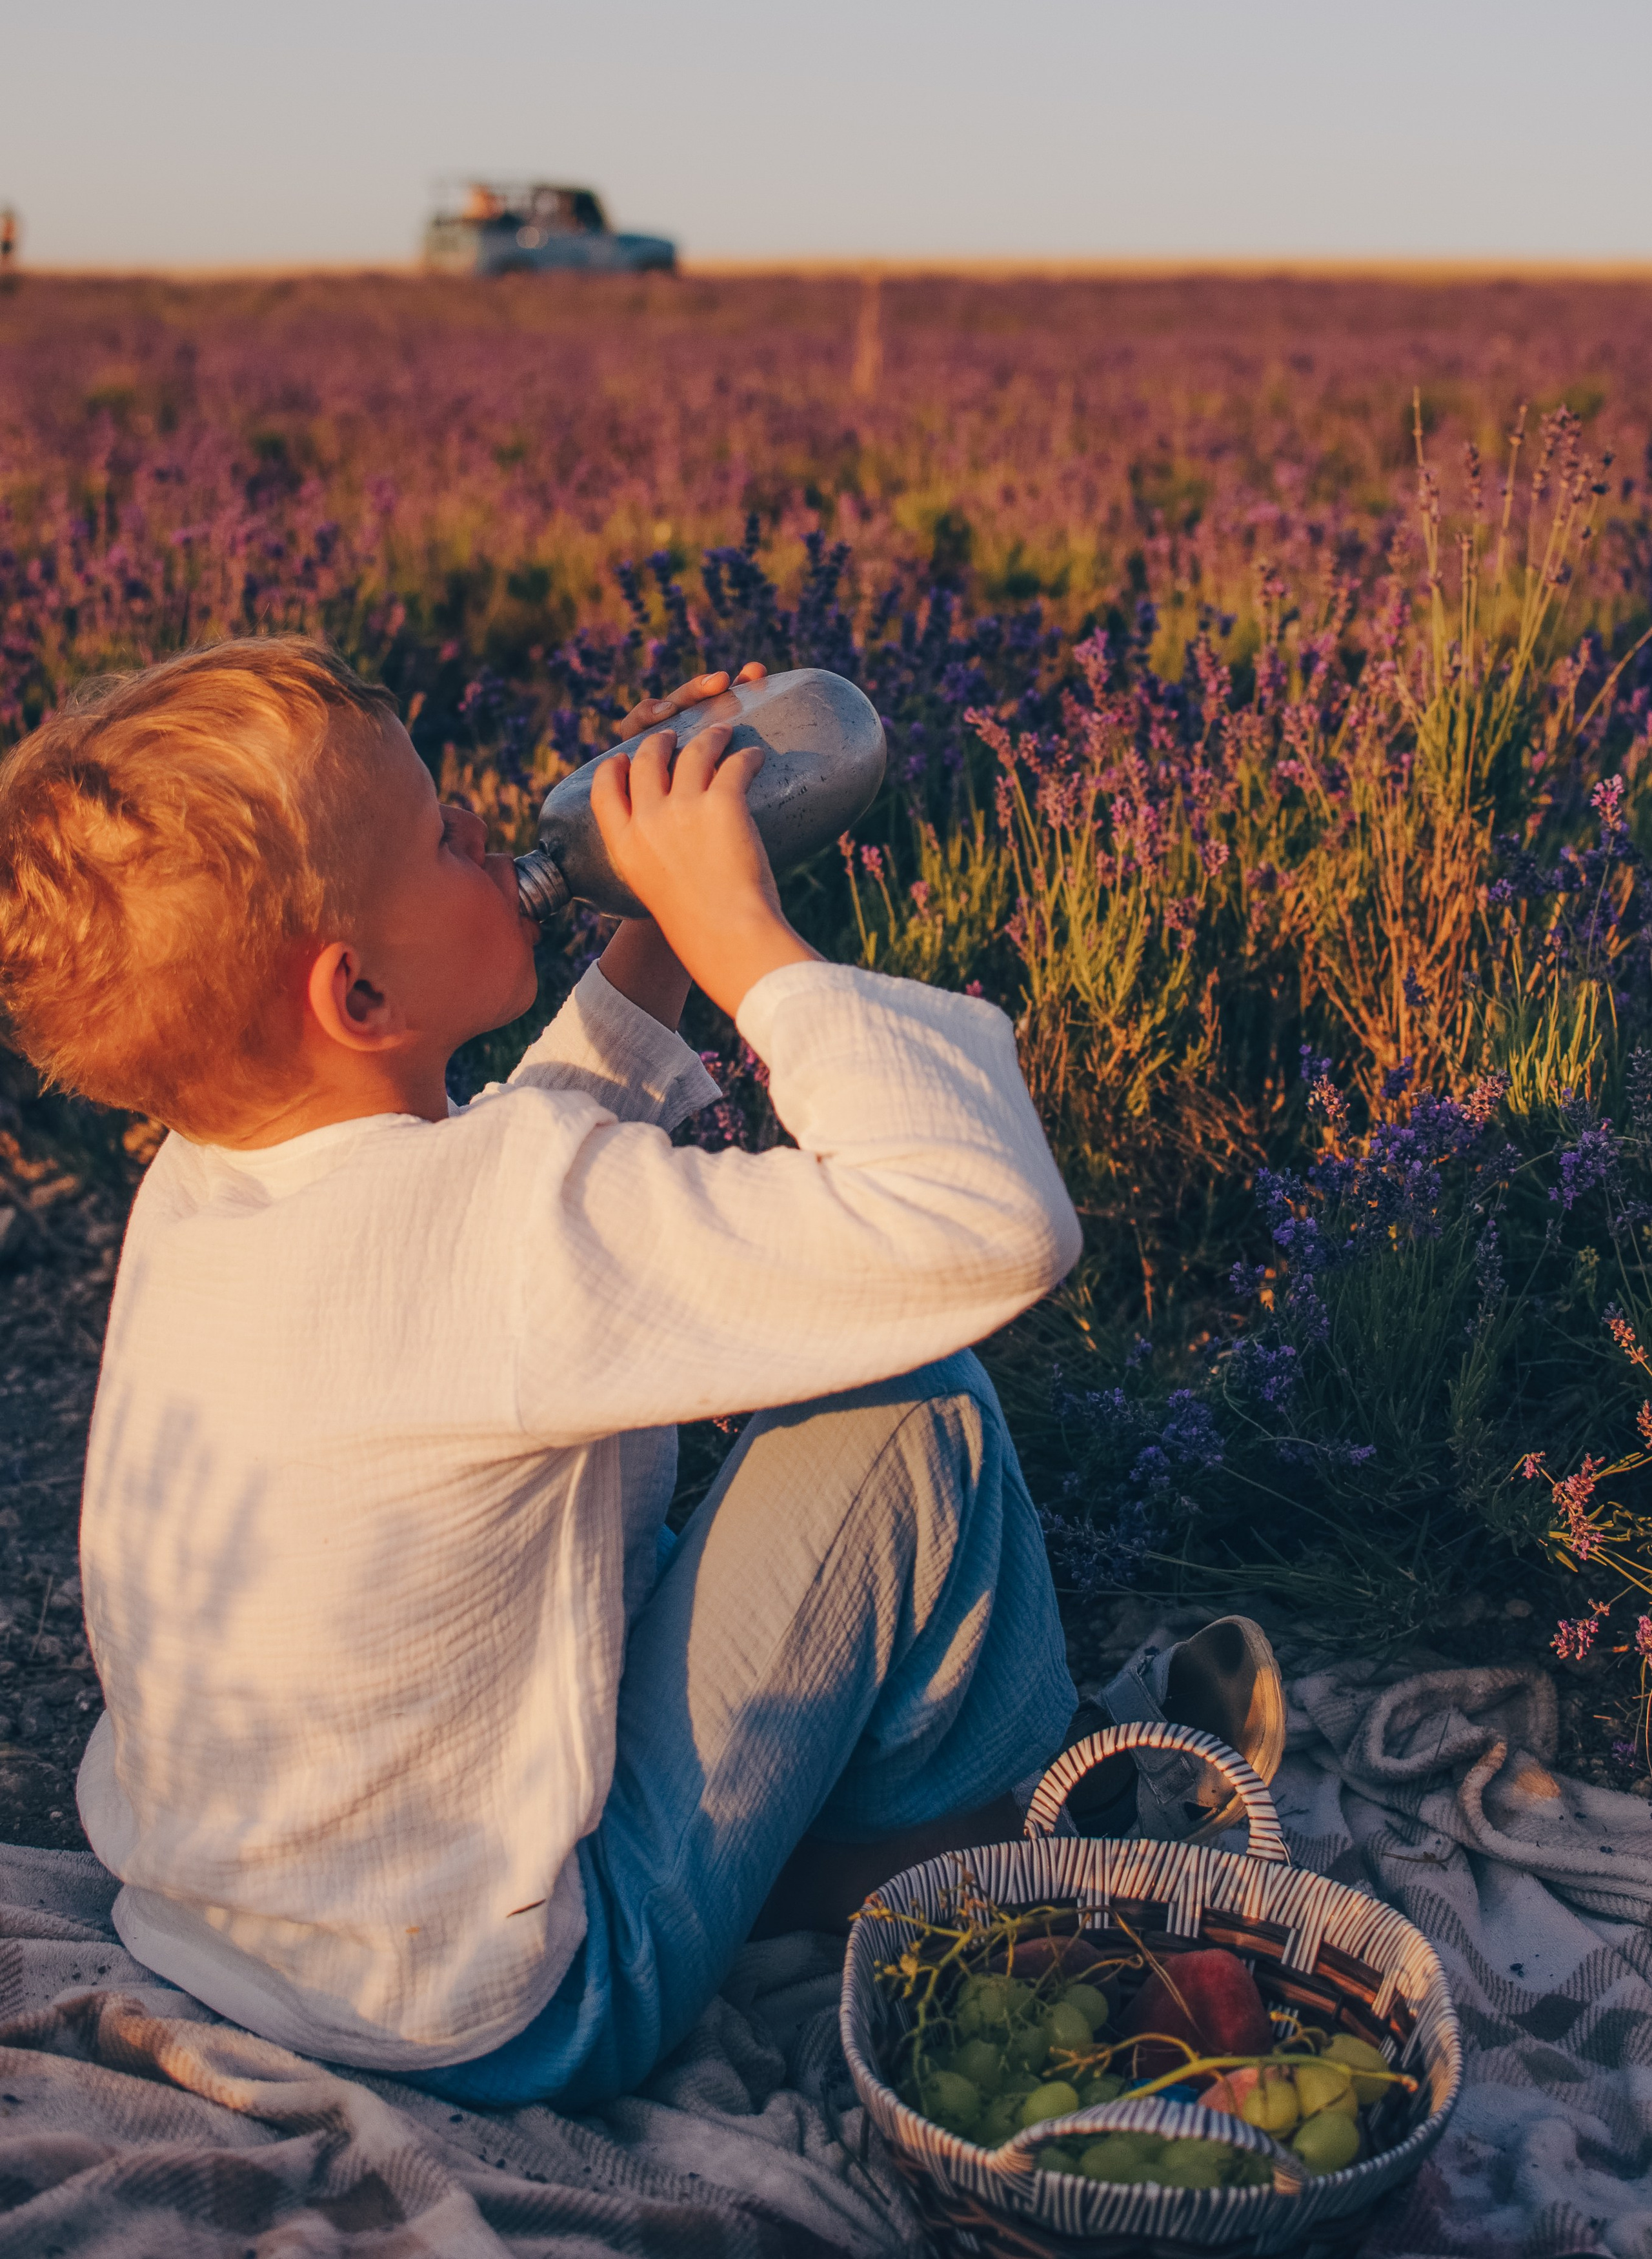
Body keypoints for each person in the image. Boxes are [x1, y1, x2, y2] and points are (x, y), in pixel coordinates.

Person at [0, 638, 1279, 2112]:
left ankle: (824, 1854)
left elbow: (511, 1190)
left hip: (243, 1935)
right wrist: (735, 928)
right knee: (910, 1403)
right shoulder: (492, 1229)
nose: (482, 821)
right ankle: (1025, 1840)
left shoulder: (211, 1179)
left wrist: (649, 931)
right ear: (358, 992)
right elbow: (984, 1216)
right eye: (440, 836)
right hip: (523, 2010)